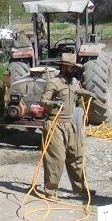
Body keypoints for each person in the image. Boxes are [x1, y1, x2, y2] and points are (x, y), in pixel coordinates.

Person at [39, 53, 96, 198]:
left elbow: (77, 91)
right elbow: (43, 100)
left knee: (76, 155)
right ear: (64, 67)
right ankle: (50, 191)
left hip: (70, 124)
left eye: (75, 67)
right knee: (55, 159)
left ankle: (80, 188)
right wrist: (53, 103)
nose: (74, 70)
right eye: (72, 67)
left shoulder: (73, 82)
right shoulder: (54, 83)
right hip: (55, 125)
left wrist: (89, 93)